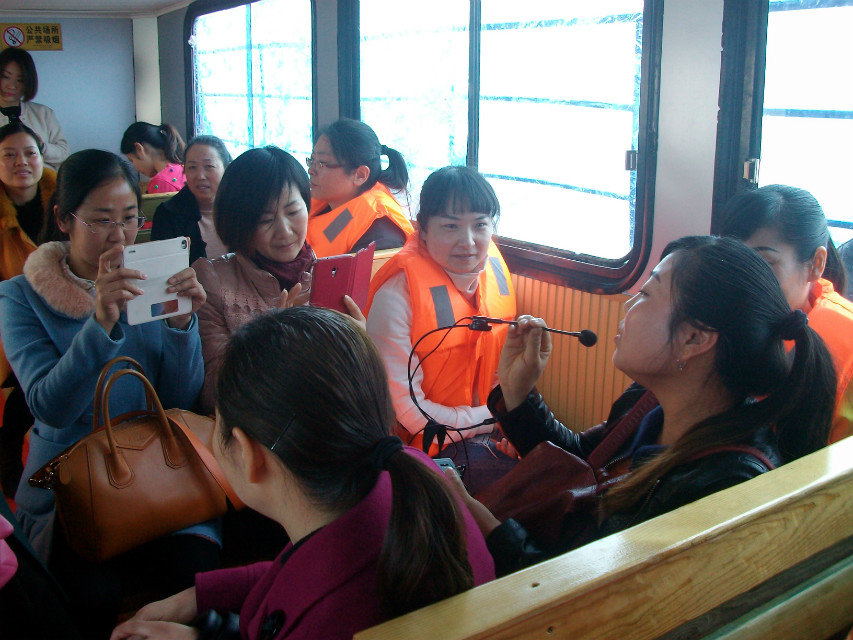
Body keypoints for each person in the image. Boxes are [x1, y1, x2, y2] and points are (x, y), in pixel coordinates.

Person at [444, 236, 836, 577]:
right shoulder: (649, 400)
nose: (630, 302)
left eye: (647, 294)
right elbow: (585, 461)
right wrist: (519, 392)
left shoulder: (721, 486)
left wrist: (477, 519)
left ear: (694, 339)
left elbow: (583, 597)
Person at [111, 306, 495, 640]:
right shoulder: (407, 472)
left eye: (216, 423)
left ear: (248, 453)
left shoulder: (333, 618)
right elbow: (303, 572)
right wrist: (202, 595)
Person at [0, 149, 219, 635]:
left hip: (159, 470)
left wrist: (182, 324)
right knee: (90, 596)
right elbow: (50, 407)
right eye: (101, 220)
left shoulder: (152, 276)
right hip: (73, 487)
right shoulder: (19, 297)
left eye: (130, 218)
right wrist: (100, 322)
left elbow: (179, 398)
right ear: (64, 219)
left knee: (195, 573)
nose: (120, 236)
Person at [366, 167, 516, 482]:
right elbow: (413, 416)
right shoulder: (396, 297)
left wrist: (513, 429)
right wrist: (496, 417)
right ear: (423, 230)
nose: (468, 242)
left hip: (483, 430)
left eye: (480, 225)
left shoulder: (493, 280)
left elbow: (501, 379)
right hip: (420, 450)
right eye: (450, 226)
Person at [194, 145, 363, 416]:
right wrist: (274, 337)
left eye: (293, 212)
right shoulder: (212, 281)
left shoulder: (330, 275)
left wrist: (358, 342)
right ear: (240, 223)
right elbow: (215, 394)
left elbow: (351, 386)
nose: (284, 231)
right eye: (266, 220)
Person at [721, 185, 852, 443]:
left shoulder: (847, 345)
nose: (742, 279)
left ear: (816, 264)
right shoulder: (708, 320)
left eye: (763, 263)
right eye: (733, 261)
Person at [0, 120, 57, 496]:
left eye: (29, 153)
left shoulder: (64, 202)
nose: (21, 162)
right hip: (11, 318)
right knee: (27, 392)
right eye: (9, 155)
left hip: (61, 311)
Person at [306, 118, 413, 257]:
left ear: (360, 175)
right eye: (312, 159)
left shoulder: (381, 234)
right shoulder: (334, 204)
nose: (311, 170)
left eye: (322, 163)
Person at [151, 134, 232, 263]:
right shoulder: (168, 214)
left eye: (209, 166)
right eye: (192, 167)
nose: (200, 176)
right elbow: (164, 267)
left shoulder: (241, 205)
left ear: (227, 169)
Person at [0, 47, 68, 170]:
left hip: (45, 179)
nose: (12, 86)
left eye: (20, 80)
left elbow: (64, 154)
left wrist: (42, 147)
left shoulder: (43, 113)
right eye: (5, 77)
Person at [120, 121, 186, 193]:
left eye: (131, 160)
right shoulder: (183, 169)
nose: (135, 168)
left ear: (139, 149)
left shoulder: (161, 182)